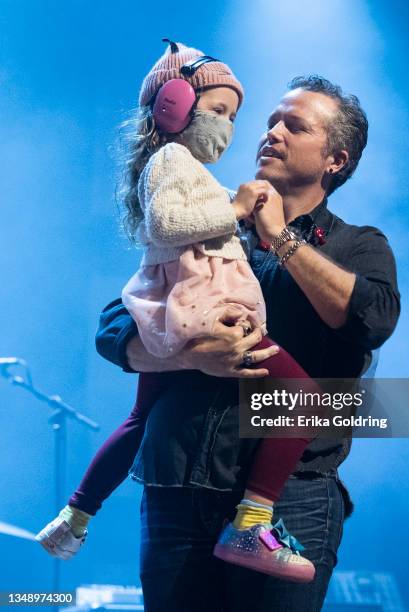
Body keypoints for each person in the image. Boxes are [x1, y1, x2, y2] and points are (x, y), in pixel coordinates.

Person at [95, 68, 401, 610]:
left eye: (294, 126)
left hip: (291, 499)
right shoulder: (209, 222)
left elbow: (369, 319)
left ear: (337, 160)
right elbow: (116, 322)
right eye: (270, 121)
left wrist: (279, 240)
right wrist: (187, 351)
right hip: (177, 489)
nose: (271, 133)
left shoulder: (359, 245)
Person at [35, 40, 331, 582]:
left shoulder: (185, 169)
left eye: (232, 116)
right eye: (219, 111)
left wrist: (247, 222)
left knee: (138, 418)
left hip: (184, 307)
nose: (230, 127)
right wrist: (237, 207)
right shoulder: (170, 160)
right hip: (209, 307)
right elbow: (167, 224)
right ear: (172, 105)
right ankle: (253, 521)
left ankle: (75, 516)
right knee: (305, 399)